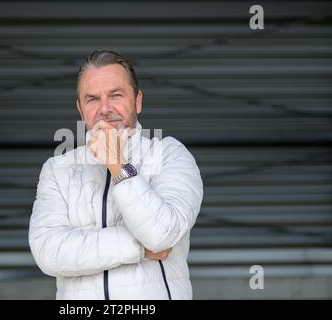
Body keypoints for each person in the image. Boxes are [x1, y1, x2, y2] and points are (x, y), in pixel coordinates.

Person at [29, 50, 203, 299]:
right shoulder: (57, 169)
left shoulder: (170, 154)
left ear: (138, 101)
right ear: (80, 109)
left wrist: (116, 162)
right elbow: (48, 253)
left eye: (116, 95)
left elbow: (161, 235)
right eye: (92, 99)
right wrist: (139, 247)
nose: (104, 109)